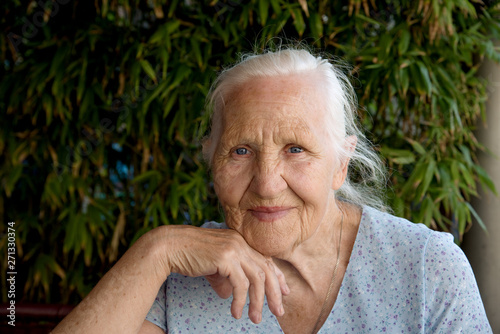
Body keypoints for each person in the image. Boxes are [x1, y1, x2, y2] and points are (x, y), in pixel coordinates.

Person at [52, 47, 492, 334]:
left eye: (296, 149)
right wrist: (156, 249)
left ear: (341, 164)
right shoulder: (177, 280)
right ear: (211, 160)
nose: (266, 183)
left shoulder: (425, 270)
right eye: (240, 150)